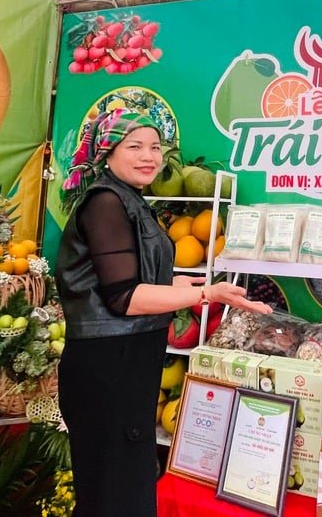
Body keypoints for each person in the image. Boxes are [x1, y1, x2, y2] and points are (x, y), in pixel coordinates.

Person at [55, 108, 272, 516]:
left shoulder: (130, 199)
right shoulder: (105, 203)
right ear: (108, 153)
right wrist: (205, 292)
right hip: (107, 366)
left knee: (123, 485)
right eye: (134, 146)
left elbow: (132, 277)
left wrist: (192, 288)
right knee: (113, 492)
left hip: (128, 361)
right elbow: (125, 297)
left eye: (155, 147)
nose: (148, 156)